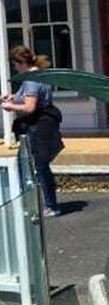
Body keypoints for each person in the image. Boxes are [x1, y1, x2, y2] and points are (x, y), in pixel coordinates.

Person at [2, 45, 64, 217]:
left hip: (38, 127)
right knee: (38, 166)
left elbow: (29, 107)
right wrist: (12, 97)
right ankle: (45, 204)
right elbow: (28, 97)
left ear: (21, 62)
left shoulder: (31, 80)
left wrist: (9, 106)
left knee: (38, 166)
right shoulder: (38, 75)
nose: (14, 68)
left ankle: (49, 206)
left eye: (15, 64)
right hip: (41, 125)